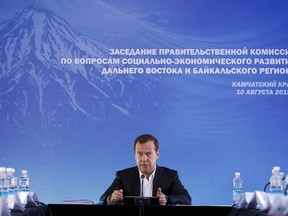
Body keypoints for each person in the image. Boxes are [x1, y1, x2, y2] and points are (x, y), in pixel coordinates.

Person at [100, 134, 192, 205]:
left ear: (157, 154)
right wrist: (111, 198)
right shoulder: (123, 176)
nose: (144, 159)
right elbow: (103, 198)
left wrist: (166, 199)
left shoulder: (170, 175)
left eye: (148, 154)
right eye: (139, 154)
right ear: (134, 155)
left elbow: (186, 198)